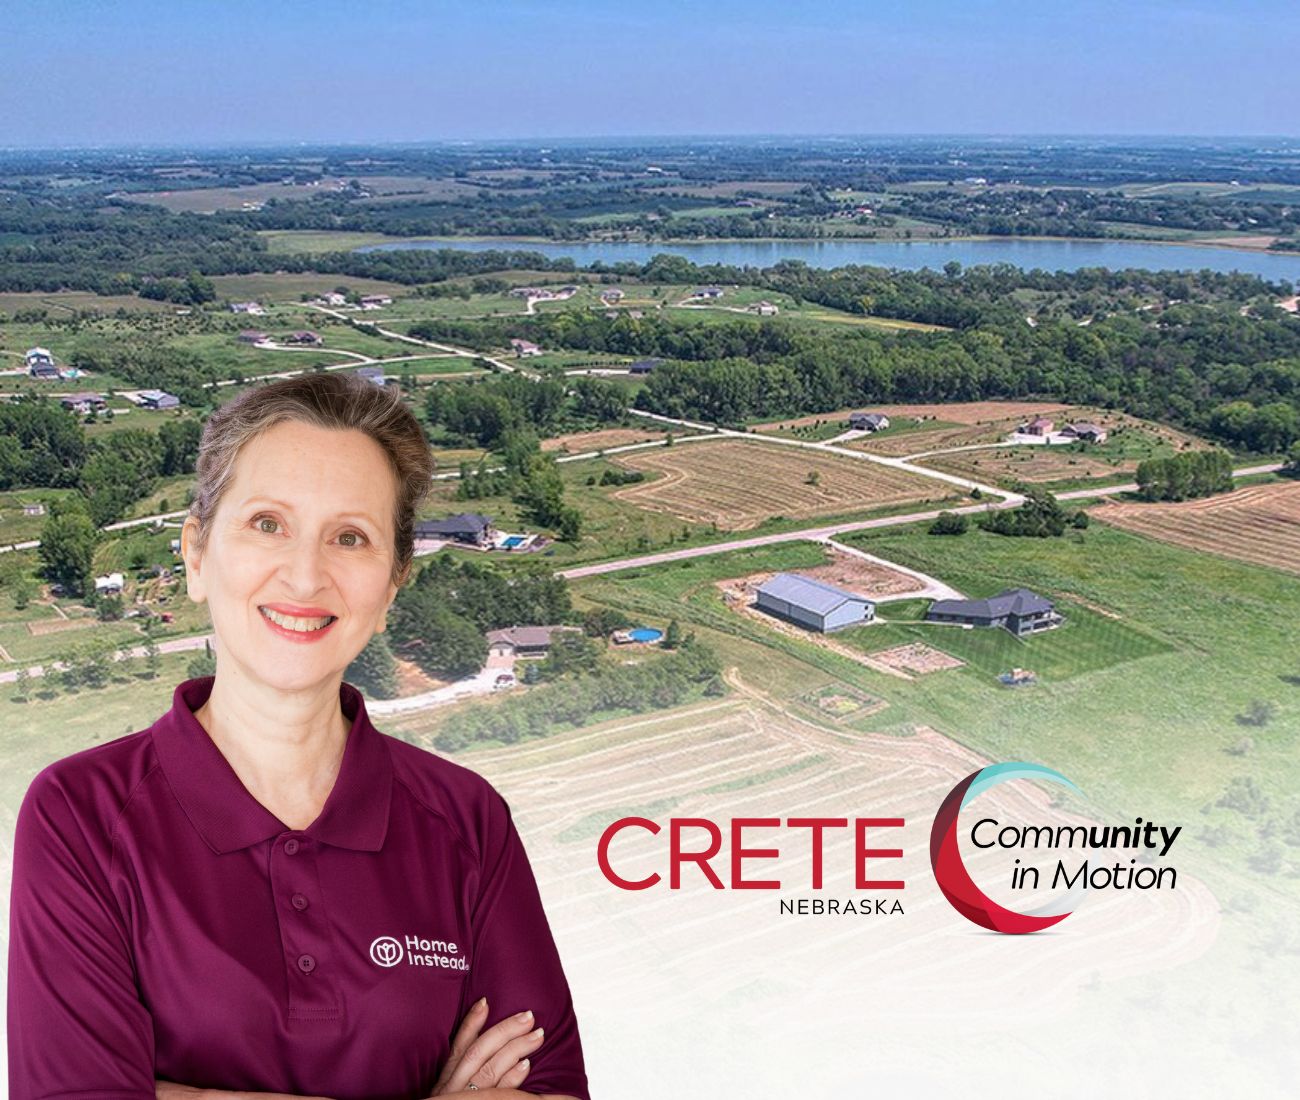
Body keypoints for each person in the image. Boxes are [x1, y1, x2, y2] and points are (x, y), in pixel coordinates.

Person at [8, 372, 590, 1100]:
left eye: (350, 538)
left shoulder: (466, 821)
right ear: (196, 554)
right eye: (267, 524)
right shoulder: (81, 815)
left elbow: (553, 1089)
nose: (305, 575)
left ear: (391, 585)